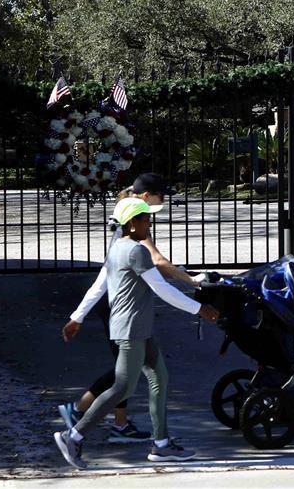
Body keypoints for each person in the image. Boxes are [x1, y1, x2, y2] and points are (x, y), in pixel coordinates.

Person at [54, 198, 220, 469]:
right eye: (145, 219)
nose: (149, 224)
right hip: (131, 330)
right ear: (132, 224)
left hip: (137, 329)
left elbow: (98, 287)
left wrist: (77, 317)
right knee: (122, 387)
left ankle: (161, 445)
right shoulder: (135, 251)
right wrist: (199, 308)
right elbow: (161, 289)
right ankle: (72, 435)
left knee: (160, 379)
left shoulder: (117, 248)